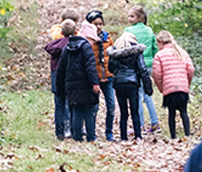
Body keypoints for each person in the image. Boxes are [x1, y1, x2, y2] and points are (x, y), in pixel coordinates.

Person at [53, 20, 101, 141]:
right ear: (77, 31)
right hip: (86, 84)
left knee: (76, 110)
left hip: (71, 86)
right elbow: (90, 67)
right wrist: (95, 83)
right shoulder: (86, 47)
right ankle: (91, 137)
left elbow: (61, 70)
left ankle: (77, 137)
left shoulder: (66, 48)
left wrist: (60, 88)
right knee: (88, 111)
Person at [150, 30, 196, 139]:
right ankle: (187, 135)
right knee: (184, 112)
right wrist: (186, 84)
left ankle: (173, 137)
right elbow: (191, 69)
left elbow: (156, 74)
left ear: (160, 41)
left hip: (169, 89)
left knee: (171, 114)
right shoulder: (182, 52)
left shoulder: (159, 55)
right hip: (182, 88)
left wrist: (162, 88)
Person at [43, 13, 80, 140]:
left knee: (59, 105)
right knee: (72, 103)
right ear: (75, 32)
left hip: (56, 75)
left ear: (61, 32)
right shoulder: (76, 45)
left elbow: (48, 48)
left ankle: (60, 132)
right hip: (71, 76)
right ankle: (72, 130)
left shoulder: (55, 45)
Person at [107, 30, 148, 141]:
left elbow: (110, 68)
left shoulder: (115, 53)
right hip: (132, 83)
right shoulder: (136, 52)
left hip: (119, 83)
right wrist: (148, 87)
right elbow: (142, 69)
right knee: (135, 110)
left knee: (123, 112)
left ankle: (123, 137)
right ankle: (138, 136)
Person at [126, 7, 162, 133]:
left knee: (137, 95)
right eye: (129, 16)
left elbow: (126, 48)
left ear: (140, 18)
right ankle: (154, 123)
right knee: (147, 94)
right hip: (149, 66)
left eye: (132, 16)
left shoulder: (128, 31)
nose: (129, 19)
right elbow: (154, 48)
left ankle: (140, 125)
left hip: (136, 66)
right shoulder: (149, 30)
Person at [84, 11, 118, 141]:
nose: (98, 27)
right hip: (95, 78)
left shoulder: (107, 38)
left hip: (108, 77)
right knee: (94, 107)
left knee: (111, 105)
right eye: (95, 24)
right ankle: (91, 133)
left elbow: (114, 55)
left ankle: (109, 133)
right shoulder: (88, 40)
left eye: (100, 24)